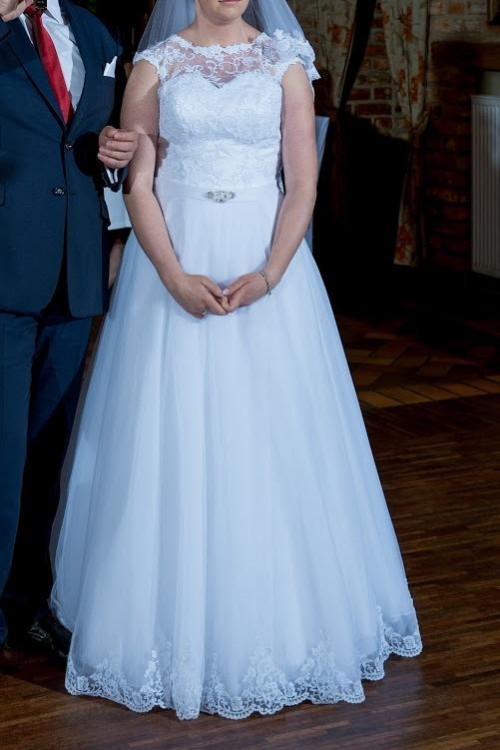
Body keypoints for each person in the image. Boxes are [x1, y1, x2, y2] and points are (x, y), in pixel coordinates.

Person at [51, 0, 422, 720]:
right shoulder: (155, 66)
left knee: (271, 439)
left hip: (263, 266)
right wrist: (172, 276)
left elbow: (302, 182)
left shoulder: (286, 63)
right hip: (175, 268)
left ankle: (289, 622)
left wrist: (272, 273)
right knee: (169, 439)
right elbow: (139, 185)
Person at [0, 0, 138, 655]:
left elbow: (86, 141)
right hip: (5, 272)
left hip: (74, 275)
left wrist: (112, 154)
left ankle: (26, 605)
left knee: (44, 456)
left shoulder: (92, 30)